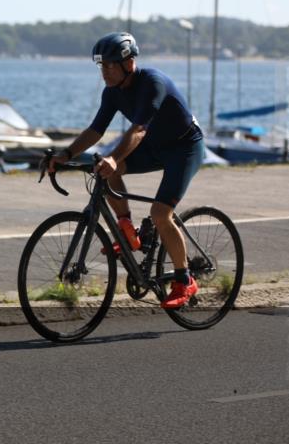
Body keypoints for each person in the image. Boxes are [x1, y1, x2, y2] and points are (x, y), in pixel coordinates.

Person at [48, 32, 206, 309]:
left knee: (160, 214)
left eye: (110, 65)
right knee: (107, 170)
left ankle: (185, 280)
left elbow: (139, 129)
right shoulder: (112, 92)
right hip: (156, 146)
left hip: (184, 148)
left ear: (129, 63)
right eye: (102, 66)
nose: (105, 72)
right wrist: (65, 155)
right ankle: (126, 230)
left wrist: (113, 157)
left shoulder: (152, 83)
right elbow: (96, 130)